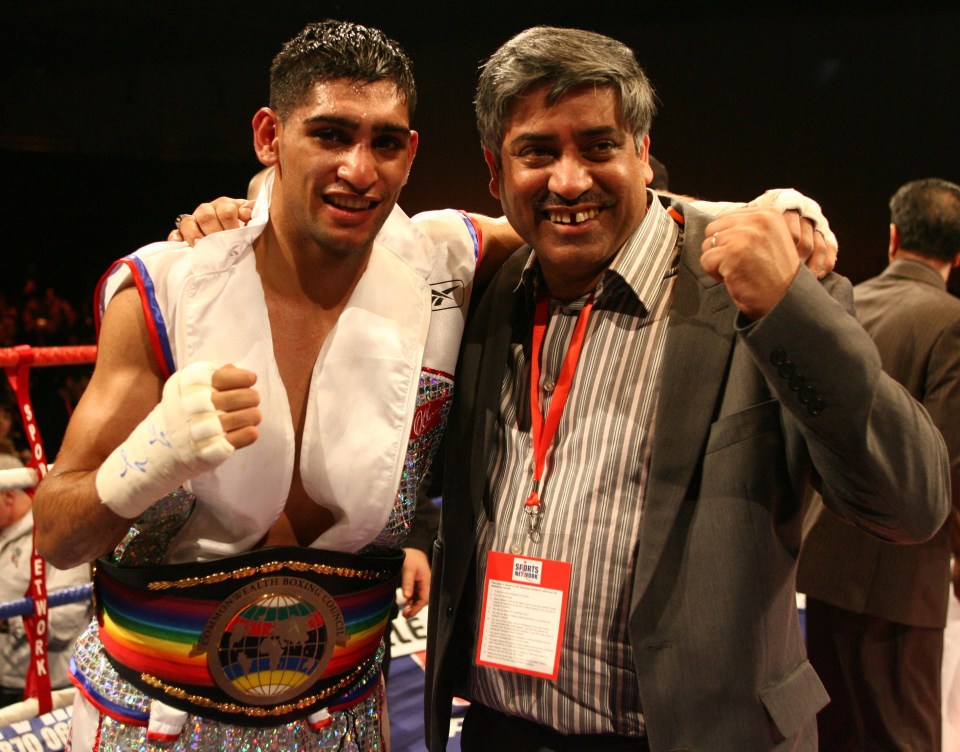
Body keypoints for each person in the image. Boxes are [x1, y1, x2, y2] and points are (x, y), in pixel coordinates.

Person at [422, 27, 951, 752]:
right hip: (498, 731)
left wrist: (789, 307)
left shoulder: (756, 284)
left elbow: (912, 502)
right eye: (538, 151)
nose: (568, 180)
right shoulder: (489, 290)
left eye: (599, 146)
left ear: (642, 150)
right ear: (494, 169)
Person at [31, 20, 523, 752]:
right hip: (153, 723)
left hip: (347, 715)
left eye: (385, 142)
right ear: (270, 136)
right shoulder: (167, 291)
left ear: (411, 153)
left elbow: (598, 219)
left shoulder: (444, 266)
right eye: (329, 135)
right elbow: (57, 534)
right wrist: (146, 461)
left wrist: (753, 215)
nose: (360, 169)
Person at [797, 178, 960, 750]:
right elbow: (948, 461)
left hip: (821, 562)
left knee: (832, 735)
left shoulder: (847, 299)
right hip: (898, 581)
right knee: (902, 740)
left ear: (893, 238)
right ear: (957, 254)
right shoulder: (950, 320)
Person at [0, 452, 91, 708]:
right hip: (6, 678)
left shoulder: (53, 535)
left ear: (8, 494)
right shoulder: (3, 533)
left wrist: (8, 622)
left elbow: (66, 620)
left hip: (45, 685)